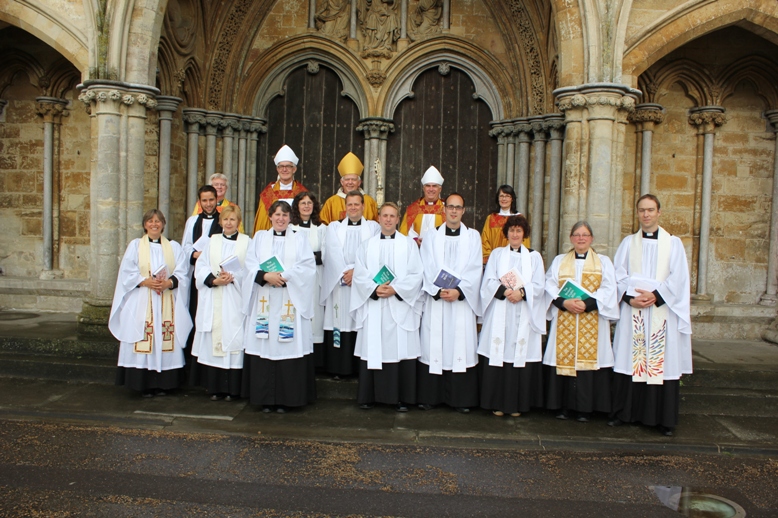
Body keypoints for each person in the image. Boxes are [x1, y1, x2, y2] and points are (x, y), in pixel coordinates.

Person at [609, 194, 692, 436]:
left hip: (661, 312)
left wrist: (656, 295)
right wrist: (630, 298)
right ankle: (626, 413)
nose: (646, 214)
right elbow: (617, 276)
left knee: (659, 364)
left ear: (659, 212)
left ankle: (661, 419)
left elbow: (679, 278)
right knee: (629, 360)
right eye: (642, 210)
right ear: (637, 213)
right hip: (634, 310)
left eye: (650, 210)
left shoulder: (673, 243)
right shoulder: (628, 243)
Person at [242, 200, 317, 413]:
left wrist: (284, 277)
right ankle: (265, 399)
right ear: (270, 216)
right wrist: (265, 276)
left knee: (287, 345)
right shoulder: (259, 238)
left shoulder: (300, 239)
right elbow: (249, 264)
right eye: (276, 215)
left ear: (290, 218)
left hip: (289, 299)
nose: (281, 219)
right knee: (265, 343)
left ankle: (288, 399)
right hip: (265, 299)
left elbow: (307, 266)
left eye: (284, 215)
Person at [109, 209, 191, 397]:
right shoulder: (136, 246)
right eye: (150, 221)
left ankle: (164, 384)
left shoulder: (174, 247)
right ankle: (142, 383)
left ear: (163, 224)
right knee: (143, 336)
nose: (154, 224)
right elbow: (127, 272)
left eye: (158, 221)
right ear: (145, 225)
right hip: (143, 300)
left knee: (165, 337)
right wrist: (145, 281)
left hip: (166, 299)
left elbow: (182, 273)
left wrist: (168, 283)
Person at [351, 202, 424, 411]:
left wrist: (396, 290)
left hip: (399, 306)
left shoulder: (408, 244)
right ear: (379, 218)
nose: (388, 219)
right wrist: (374, 289)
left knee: (400, 350)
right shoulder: (367, 245)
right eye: (385, 216)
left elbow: (416, 274)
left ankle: (402, 398)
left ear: (398, 218)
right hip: (375, 305)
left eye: (392, 216)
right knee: (374, 348)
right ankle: (369, 396)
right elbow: (360, 274)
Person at [543, 221, 619, 422]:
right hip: (565, 317)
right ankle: (563, 407)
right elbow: (549, 285)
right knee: (564, 361)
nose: (581, 238)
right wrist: (563, 302)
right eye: (576, 234)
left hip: (591, 316)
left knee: (588, 363)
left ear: (592, 238)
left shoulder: (603, 262)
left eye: (585, 234)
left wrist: (589, 304)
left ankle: (586, 409)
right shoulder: (560, 261)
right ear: (571, 238)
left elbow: (609, 288)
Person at [417, 193, 482, 412]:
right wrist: (438, 290)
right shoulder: (431, 236)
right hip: (437, 301)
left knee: (459, 346)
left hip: (461, 304)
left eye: (458, 207)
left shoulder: (473, 237)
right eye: (450, 207)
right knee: (434, 345)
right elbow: (425, 265)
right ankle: (430, 397)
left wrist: (460, 291)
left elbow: (475, 269)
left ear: (463, 211)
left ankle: (460, 400)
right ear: (444, 210)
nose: (454, 211)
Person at [477, 214, 545, 417]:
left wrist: (521, 293)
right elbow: (488, 281)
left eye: (519, 230)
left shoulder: (534, 257)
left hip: (523, 311)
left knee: (519, 356)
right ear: (506, 233)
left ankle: (518, 405)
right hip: (501, 309)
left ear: (524, 234)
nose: (515, 234)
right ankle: (497, 403)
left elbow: (540, 285)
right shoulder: (497, 255)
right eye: (512, 230)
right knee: (499, 353)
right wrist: (505, 291)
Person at [190, 205, 250, 401]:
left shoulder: (247, 242)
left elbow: (250, 269)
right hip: (215, 294)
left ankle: (233, 389)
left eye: (233, 219)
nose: (229, 223)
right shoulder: (212, 241)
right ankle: (215, 388)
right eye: (225, 219)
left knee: (234, 337)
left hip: (235, 298)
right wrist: (214, 280)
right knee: (214, 339)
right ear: (220, 222)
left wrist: (234, 277)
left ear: (239, 222)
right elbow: (201, 266)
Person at [321, 191, 380, 377]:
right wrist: (344, 273)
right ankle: (338, 368)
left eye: (357, 204)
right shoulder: (333, 227)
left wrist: (357, 273)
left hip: (361, 284)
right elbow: (329, 254)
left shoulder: (374, 228)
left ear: (363, 206)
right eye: (350, 204)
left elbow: (376, 255)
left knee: (358, 323)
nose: (353, 207)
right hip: (339, 284)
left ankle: (358, 367)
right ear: (345, 207)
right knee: (339, 322)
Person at [181, 185, 223, 367]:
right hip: (198, 276)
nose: (208, 204)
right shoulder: (192, 221)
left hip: (217, 276)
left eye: (211, 200)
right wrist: (196, 255)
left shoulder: (224, 219)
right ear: (199, 202)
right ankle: (194, 357)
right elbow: (186, 246)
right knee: (196, 311)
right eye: (204, 200)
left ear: (217, 200)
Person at [290, 192, 327, 370]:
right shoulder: (290, 229)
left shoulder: (321, 228)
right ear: (296, 206)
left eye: (309, 203)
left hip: (314, 279)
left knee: (315, 317)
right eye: (302, 203)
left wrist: (312, 258)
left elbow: (327, 253)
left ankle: (316, 361)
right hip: (296, 281)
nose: (306, 206)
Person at [253, 145, 308, 234]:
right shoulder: (268, 193)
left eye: (288, 166)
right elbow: (262, 223)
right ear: (277, 169)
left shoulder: (303, 193)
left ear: (294, 169)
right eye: (281, 166)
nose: (284, 169)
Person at [319, 152, 378, 224]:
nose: (350, 182)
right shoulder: (331, 203)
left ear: (359, 182)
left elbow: (378, 225)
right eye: (347, 179)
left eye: (353, 179)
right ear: (342, 182)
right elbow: (323, 226)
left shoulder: (369, 202)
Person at [480, 185, 529, 264]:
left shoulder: (519, 218)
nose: (504, 199)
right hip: (495, 261)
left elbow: (524, 239)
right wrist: (491, 258)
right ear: (498, 198)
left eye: (507, 196)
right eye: (501, 196)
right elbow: (485, 241)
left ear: (512, 198)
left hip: (514, 260)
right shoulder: (491, 218)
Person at [399, 165, 445, 244]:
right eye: (428, 186)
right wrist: (415, 240)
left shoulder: (446, 209)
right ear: (423, 188)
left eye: (434, 186)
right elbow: (404, 231)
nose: (431, 189)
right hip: (417, 251)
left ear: (440, 189)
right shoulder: (413, 209)